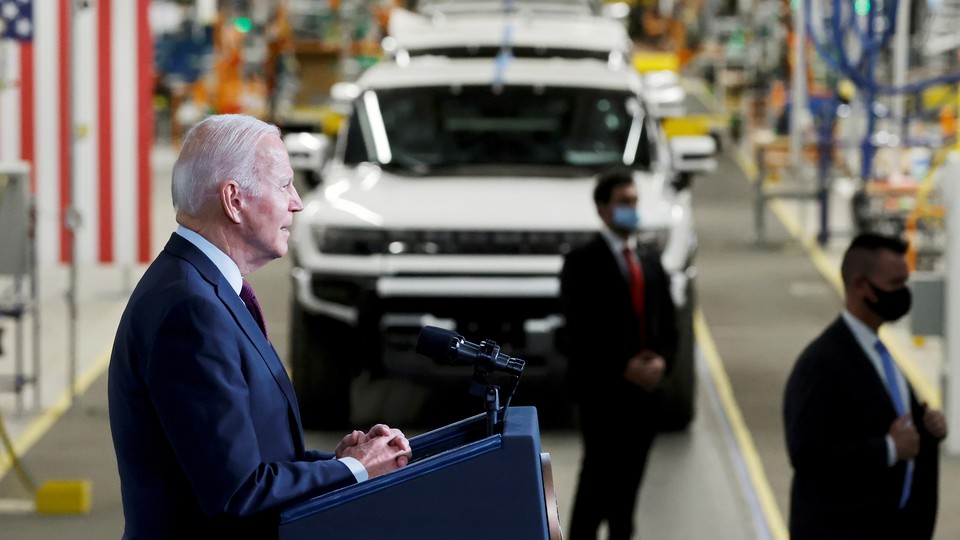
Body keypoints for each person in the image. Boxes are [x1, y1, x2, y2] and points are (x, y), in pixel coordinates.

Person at [108, 114, 412, 538]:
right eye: (284, 183)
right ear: (234, 200)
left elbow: (248, 456)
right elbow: (237, 492)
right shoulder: (190, 311)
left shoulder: (203, 289)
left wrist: (338, 463)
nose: (297, 201)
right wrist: (354, 470)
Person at [783, 232, 948, 539]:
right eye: (895, 284)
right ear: (860, 286)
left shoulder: (880, 356)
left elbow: (899, 430)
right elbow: (808, 455)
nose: (904, 294)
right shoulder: (821, 364)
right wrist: (887, 449)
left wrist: (929, 430)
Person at [559, 169, 678, 539]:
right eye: (623, 202)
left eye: (634, 201)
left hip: (644, 396)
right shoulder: (582, 262)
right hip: (603, 392)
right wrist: (621, 367)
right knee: (596, 482)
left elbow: (670, 326)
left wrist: (661, 362)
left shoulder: (650, 262)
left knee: (627, 492)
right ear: (602, 209)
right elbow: (576, 332)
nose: (631, 209)